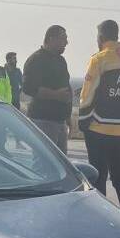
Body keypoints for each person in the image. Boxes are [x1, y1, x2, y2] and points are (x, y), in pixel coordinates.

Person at [78, 20, 120, 218]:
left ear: (101, 37)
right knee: (119, 175)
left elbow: (88, 94)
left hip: (100, 127)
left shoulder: (99, 59)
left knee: (98, 176)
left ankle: (100, 218)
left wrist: (83, 121)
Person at [23, 25, 72, 153]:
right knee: (44, 163)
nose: (66, 42)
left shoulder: (61, 61)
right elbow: (28, 88)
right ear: (51, 39)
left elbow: (66, 87)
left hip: (60, 121)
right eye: (63, 38)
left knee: (61, 165)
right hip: (43, 120)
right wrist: (56, 95)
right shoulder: (36, 60)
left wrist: (68, 117)